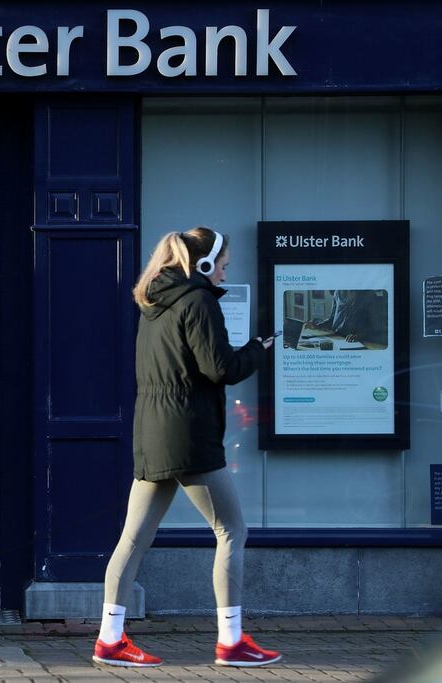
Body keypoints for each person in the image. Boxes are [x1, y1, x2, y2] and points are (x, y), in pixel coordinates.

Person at [92, 227, 282, 669]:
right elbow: (221, 369)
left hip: (152, 432)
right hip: (190, 435)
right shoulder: (198, 302)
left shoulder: (153, 304)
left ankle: (109, 639)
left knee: (133, 539)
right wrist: (259, 347)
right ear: (201, 265)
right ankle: (231, 642)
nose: (224, 273)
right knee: (231, 530)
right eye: (222, 265)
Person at [309, 290, 388, 346]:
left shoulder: (369, 294)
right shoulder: (338, 292)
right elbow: (332, 320)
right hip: (336, 339)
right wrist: (317, 325)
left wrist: (360, 335)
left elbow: (376, 327)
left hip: (359, 343)